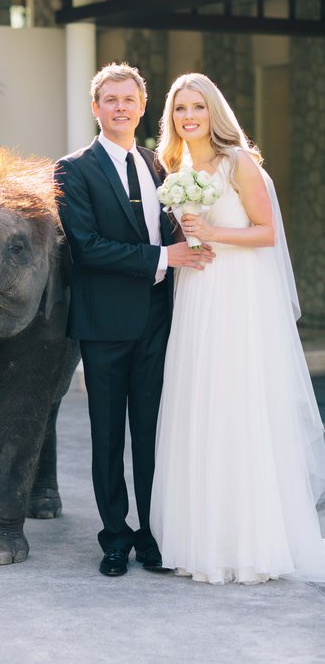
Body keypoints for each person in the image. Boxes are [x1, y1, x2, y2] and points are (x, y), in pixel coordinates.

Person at [149, 72, 325, 584]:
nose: (188, 117)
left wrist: (213, 233)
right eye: (180, 109)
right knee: (199, 403)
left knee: (236, 403)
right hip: (196, 292)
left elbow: (267, 232)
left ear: (213, 113)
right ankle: (201, 538)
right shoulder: (175, 166)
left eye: (197, 108)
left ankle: (249, 544)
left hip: (236, 296)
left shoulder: (237, 162)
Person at [55, 63, 215, 576]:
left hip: (158, 319)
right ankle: (114, 539)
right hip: (104, 324)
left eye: (129, 99)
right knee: (107, 437)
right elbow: (87, 247)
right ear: (96, 108)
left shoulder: (161, 165)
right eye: (110, 100)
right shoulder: (72, 169)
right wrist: (165, 258)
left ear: (143, 107)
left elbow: (174, 228)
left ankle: (151, 534)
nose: (120, 107)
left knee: (152, 433)